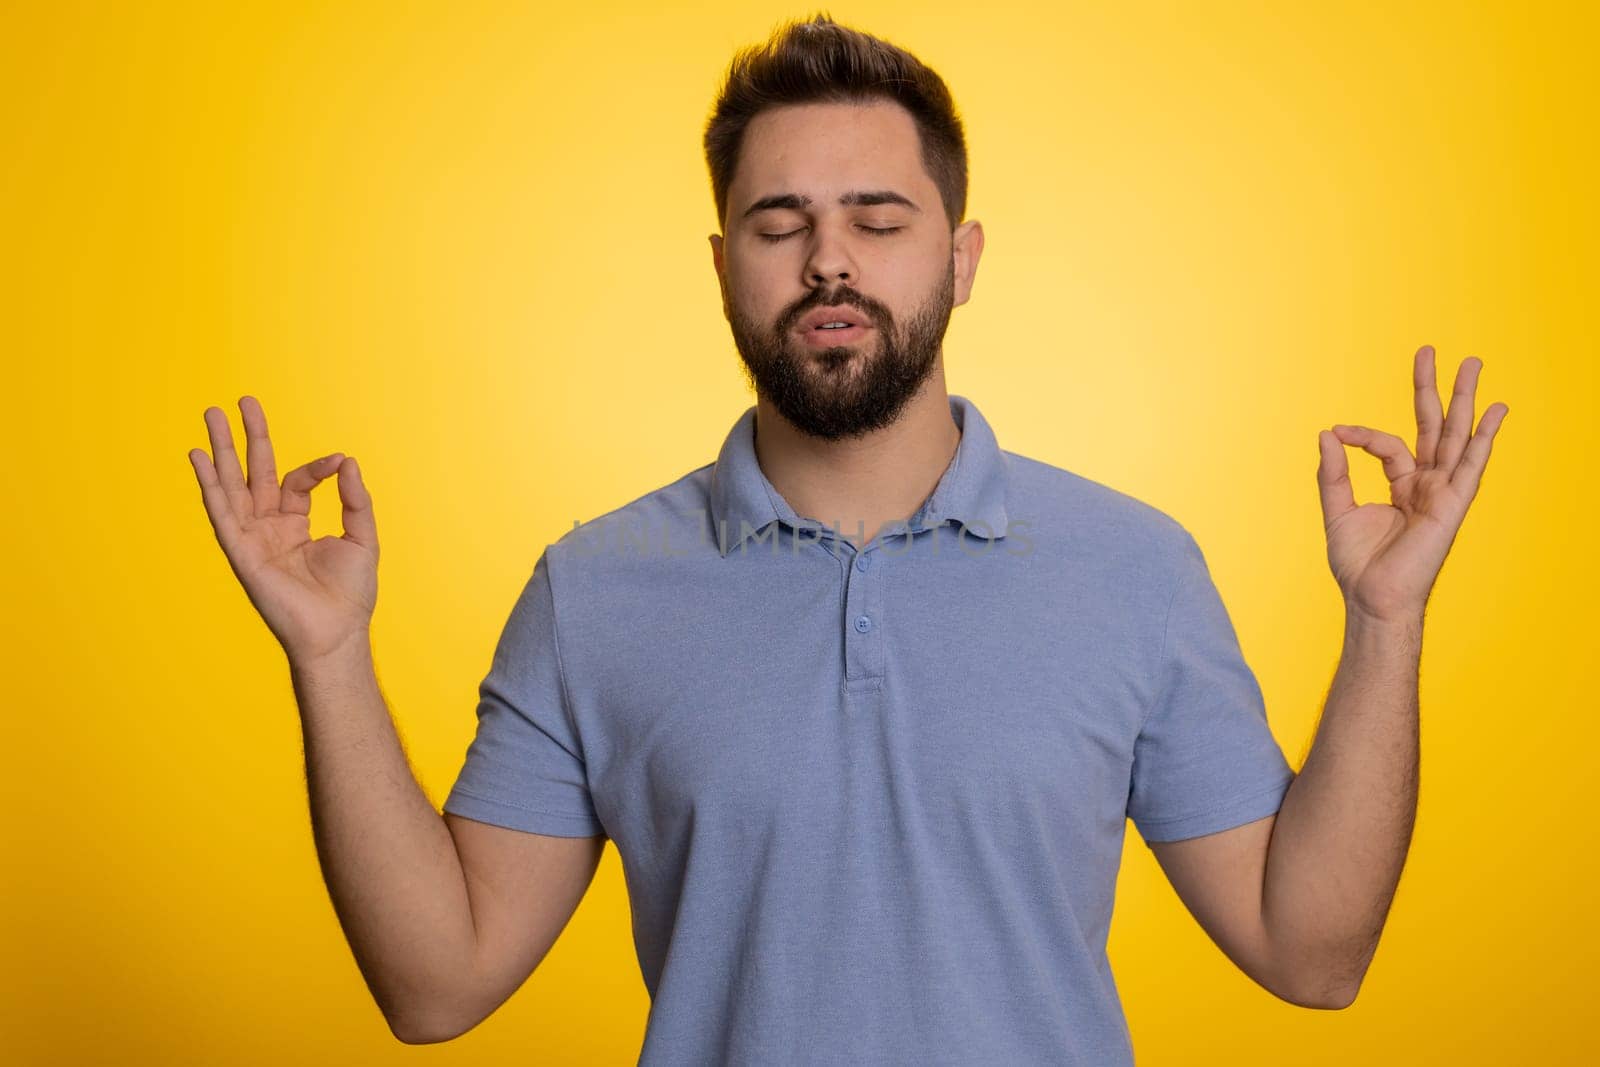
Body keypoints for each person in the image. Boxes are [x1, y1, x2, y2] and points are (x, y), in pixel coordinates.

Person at [188, 12, 1508, 1063]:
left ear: (962, 254)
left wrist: (1386, 623)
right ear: (721, 264)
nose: (832, 263)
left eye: (878, 220)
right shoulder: (593, 594)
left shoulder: (1136, 570)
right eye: (782, 224)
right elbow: (436, 987)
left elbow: (1312, 954)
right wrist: (329, 654)